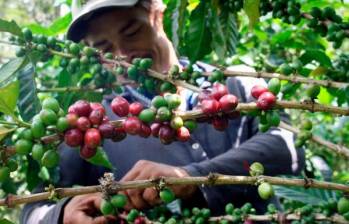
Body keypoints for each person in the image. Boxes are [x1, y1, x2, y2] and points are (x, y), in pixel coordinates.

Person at [21, 0, 305, 223]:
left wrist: (190, 177)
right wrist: (63, 213)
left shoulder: (234, 82)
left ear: (157, 13)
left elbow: (288, 148)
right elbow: (32, 208)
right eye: (104, 49)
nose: (122, 56)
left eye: (132, 32)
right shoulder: (98, 125)